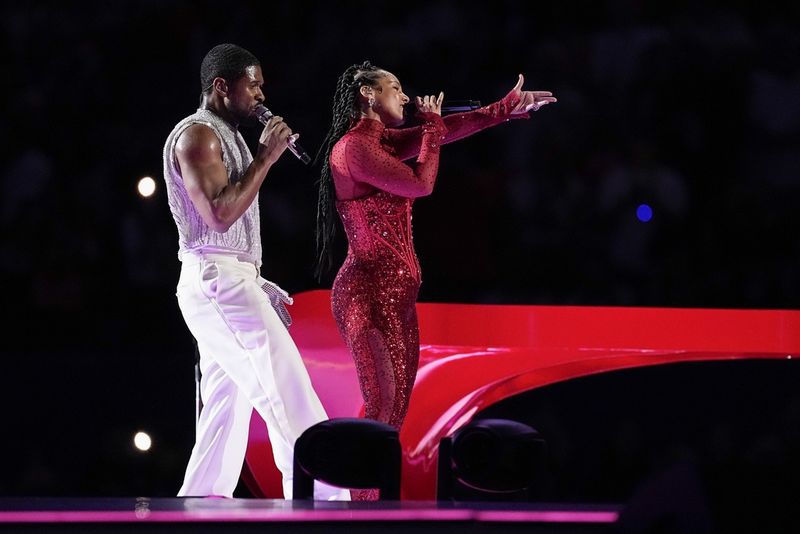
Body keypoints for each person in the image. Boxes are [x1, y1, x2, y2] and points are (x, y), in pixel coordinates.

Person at [315, 62, 556, 436]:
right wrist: (430, 125)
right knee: (381, 409)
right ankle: (357, 494)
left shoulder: (381, 142)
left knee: (393, 415)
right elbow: (420, 184)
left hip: (398, 297)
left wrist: (504, 108)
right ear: (368, 93)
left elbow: (446, 132)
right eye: (395, 87)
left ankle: (373, 495)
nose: (406, 96)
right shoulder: (353, 149)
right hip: (367, 294)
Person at [162, 43, 348, 500]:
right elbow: (219, 215)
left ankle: (201, 500)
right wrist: (266, 158)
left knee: (226, 403)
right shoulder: (197, 136)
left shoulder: (227, 135)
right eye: (254, 83)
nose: (262, 94)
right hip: (216, 282)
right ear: (222, 86)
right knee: (283, 382)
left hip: (227, 278)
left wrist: (254, 276)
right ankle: (324, 497)